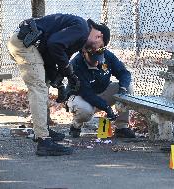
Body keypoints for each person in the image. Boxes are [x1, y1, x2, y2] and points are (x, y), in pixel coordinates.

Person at [7, 13, 110, 156]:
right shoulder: (82, 28)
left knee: (44, 84)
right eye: (100, 47)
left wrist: (60, 84)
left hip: (29, 44)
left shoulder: (78, 36)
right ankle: (44, 141)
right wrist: (69, 73)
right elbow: (54, 45)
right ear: (99, 36)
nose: (95, 51)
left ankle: (43, 131)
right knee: (38, 87)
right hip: (25, 43)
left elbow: (52, 55)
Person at [66, 44, 136, 138]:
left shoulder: (107, 55)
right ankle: (76, 125)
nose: (97, 62)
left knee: (128, 87)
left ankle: (121, 127)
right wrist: (106, 108)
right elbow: (87, 94)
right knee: (85, 111)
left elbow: (124, 73)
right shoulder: (76, 64)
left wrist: (122, 90)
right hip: (82, 97)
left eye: (99, 58)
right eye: (93, 59)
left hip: (102, 91)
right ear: (84, 54)